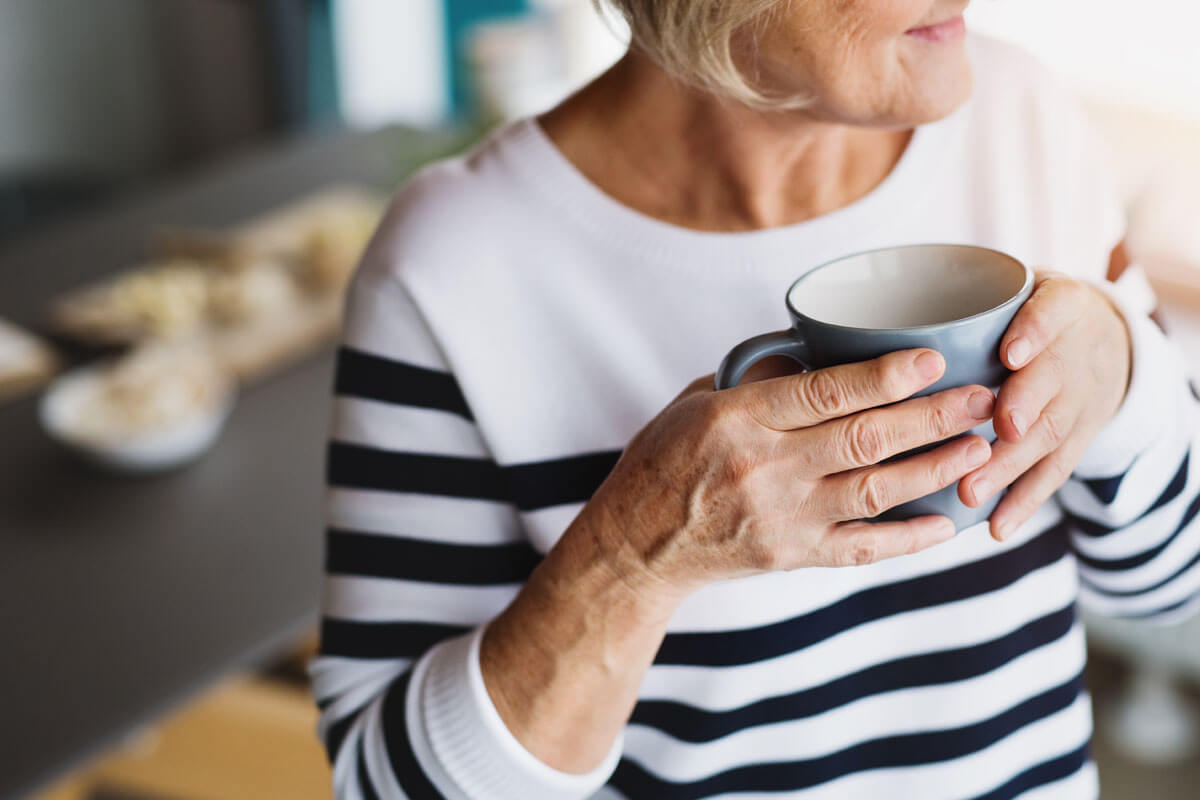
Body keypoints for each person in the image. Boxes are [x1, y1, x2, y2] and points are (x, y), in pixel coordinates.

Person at [310, 1, 1200, 797]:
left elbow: (1176, 585)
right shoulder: (449, 269)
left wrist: (1124, 374)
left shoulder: (1018, 119)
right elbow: (388, 786)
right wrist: (630, 560)